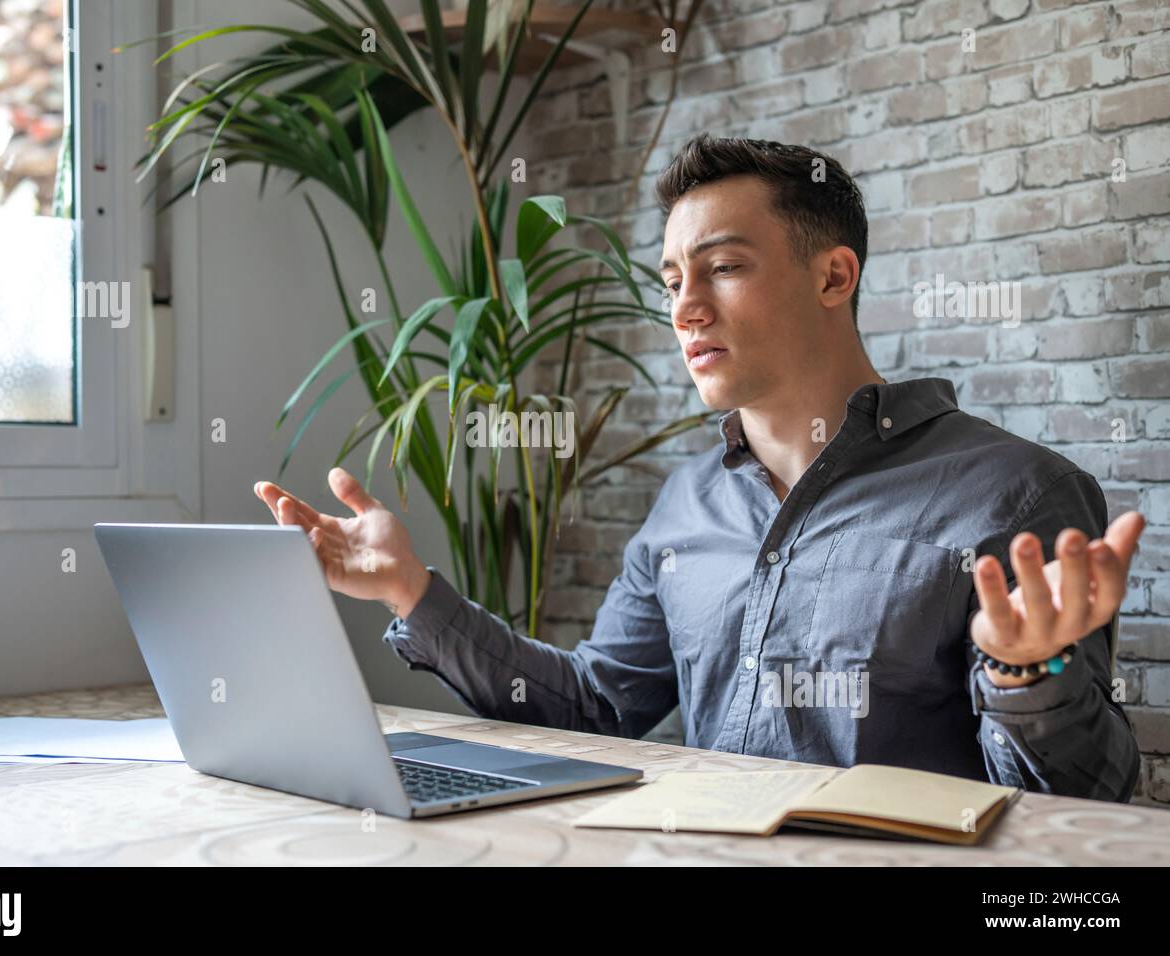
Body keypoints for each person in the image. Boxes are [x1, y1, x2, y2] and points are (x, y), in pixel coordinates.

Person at [254, 134, 1145, 801]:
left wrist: (1029, 677)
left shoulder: (1015, 494)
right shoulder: (688, 504)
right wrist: (415, 594)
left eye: (721, 268)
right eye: (672, 278)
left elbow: (1082, 813)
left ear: (835, 278)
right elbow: (597, 710)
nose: (684, 307)